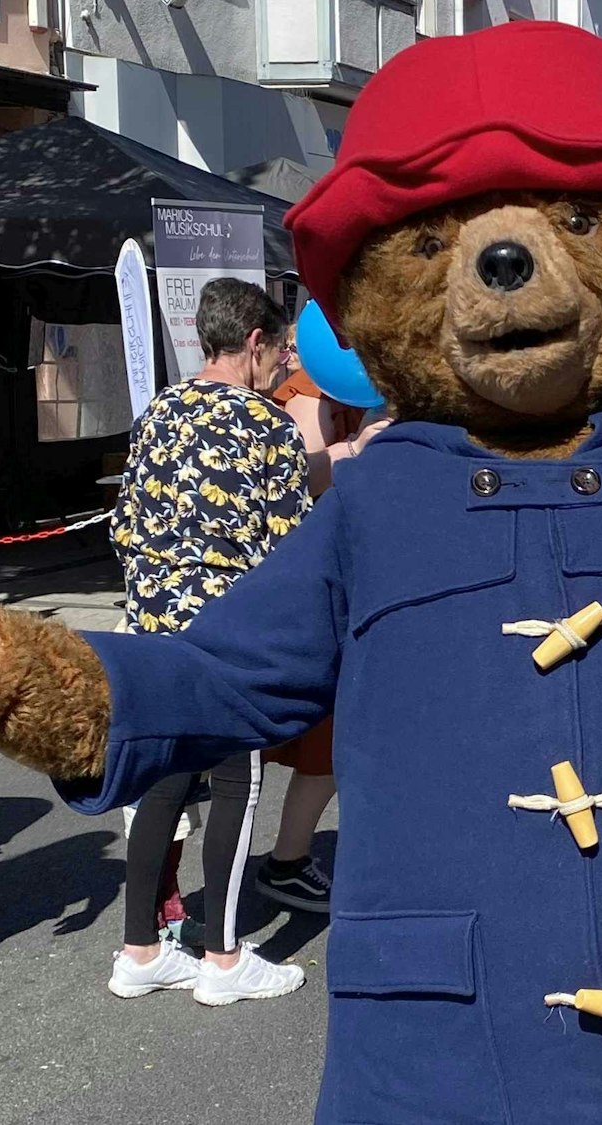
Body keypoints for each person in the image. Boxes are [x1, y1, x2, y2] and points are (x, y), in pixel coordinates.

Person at [106, 278, 309, 1006]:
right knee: (235, 783)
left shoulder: (156, 410)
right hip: (228, 636)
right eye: (281, 350)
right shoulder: (268, 426)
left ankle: (140, 948)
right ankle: (223, 956)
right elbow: (289, 548)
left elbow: (122, 525)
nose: (285, 364)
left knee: (163, 778)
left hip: (152, 629)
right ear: (253, 343)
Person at [255, 335, 393, 912]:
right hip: (332, 581)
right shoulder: (308, 396)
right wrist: (361, 449)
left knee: (361, 737)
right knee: (326, 741)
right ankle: (286, 861)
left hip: (371, 573)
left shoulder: (371, 389)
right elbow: (307, 484)